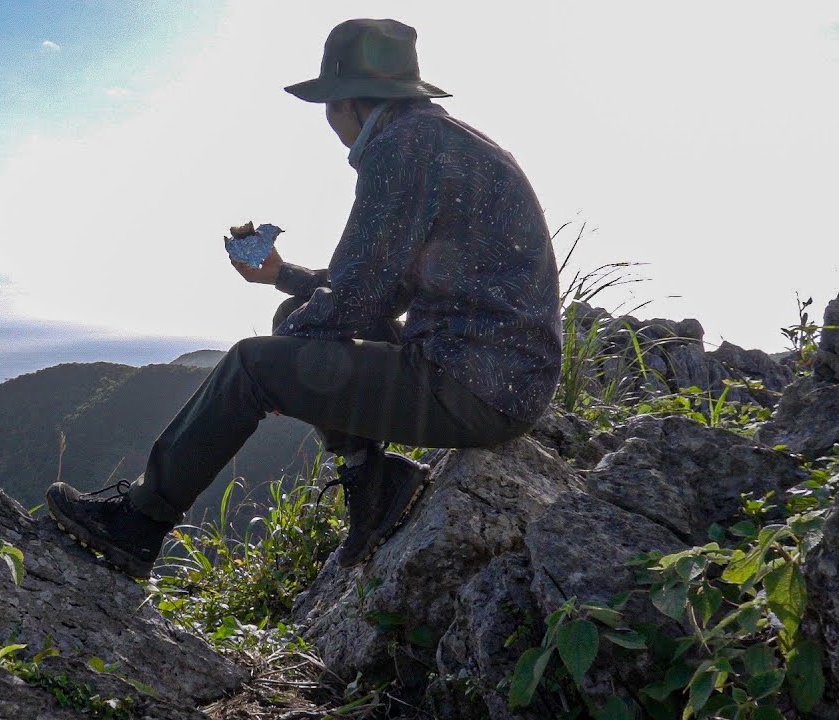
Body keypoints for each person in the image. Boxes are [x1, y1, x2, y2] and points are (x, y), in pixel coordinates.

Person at [47, 18, 561, 579]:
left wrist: (271, 370)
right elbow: (381, 288)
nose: (327, 120)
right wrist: (280, 276)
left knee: (250, 363)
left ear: (349, 102)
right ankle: (373, 483)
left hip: (475, 389)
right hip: (499, 374)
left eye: (326, 103)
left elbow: (359, 303)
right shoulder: (438, 139)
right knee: (296, 318)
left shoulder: (400, 149)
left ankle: (139, 524)